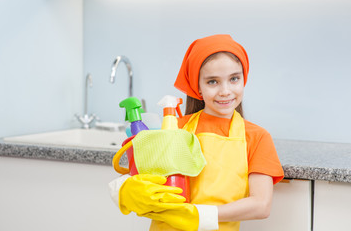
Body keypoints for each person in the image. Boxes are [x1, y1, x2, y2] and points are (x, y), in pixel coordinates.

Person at [109, 34, 284, 231]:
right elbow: (142, 176)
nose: (225, 91)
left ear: (244, 79)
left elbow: (261, 205)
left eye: (234, 79)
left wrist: (199, 215)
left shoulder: (256, 137)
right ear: (197, 87)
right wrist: (125, 190)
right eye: (212, 82)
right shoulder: (174, 128)